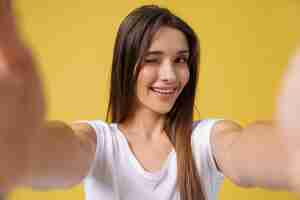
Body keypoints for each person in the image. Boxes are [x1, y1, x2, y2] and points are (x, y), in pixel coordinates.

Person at [0, 1, 299, 200]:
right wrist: (13, 142)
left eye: (180, 60)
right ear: (126, 65)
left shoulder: (206, 140)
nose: (170, 75)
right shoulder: (98, 142)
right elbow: (55, 153)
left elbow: (247, 150)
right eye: (153, 60)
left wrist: (290, 151)